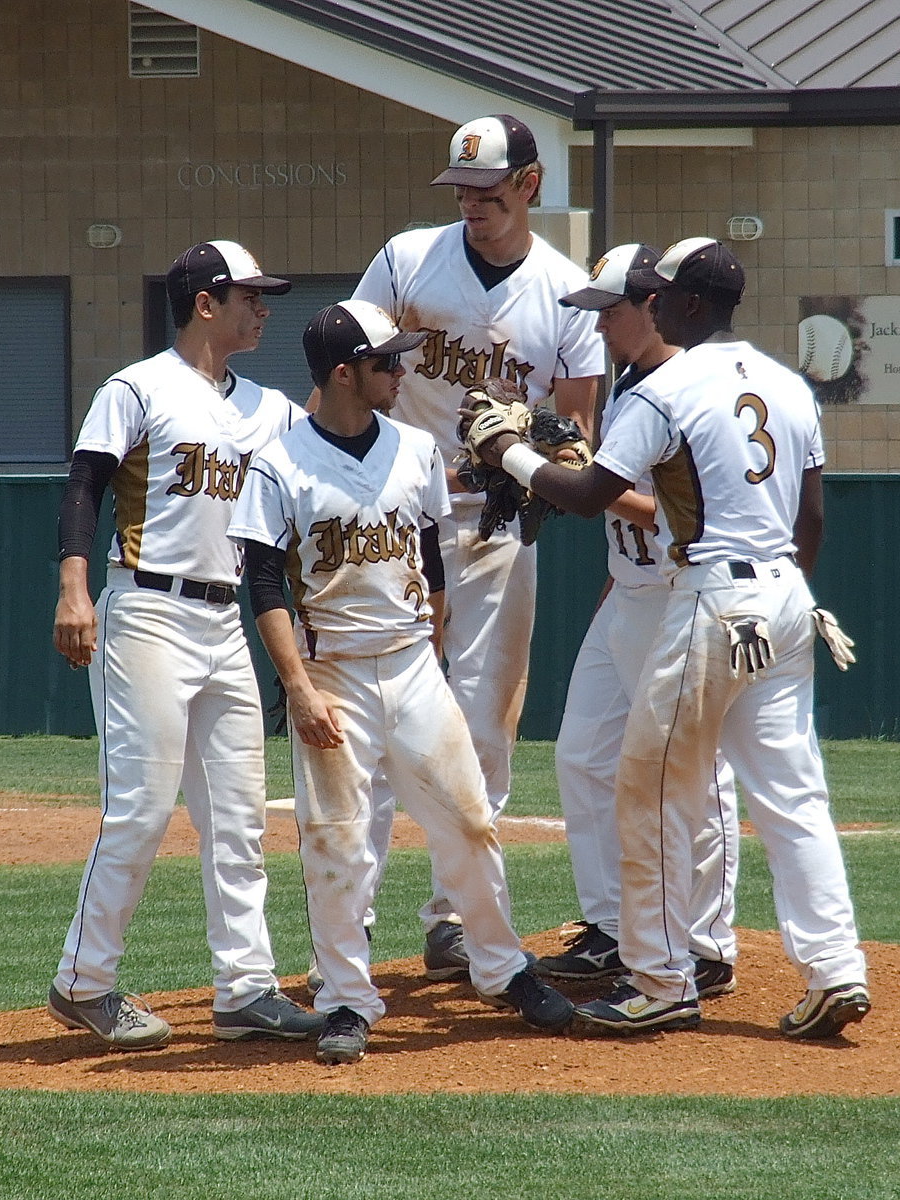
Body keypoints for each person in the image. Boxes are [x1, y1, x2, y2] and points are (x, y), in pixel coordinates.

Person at [463, 237, 870, 1040]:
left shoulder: (667, 386)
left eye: (654, 296)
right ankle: (835, 970)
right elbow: (812, 516)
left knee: (648, 791)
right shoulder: (789, 383)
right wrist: (786, 589)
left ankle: (658, 978)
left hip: (709, 599)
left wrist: (504, 451)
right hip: (787, 596)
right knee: (793, 799)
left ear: (678, 304)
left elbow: (586, 496)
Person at [228, 300, 575, 1065]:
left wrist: (437, 650)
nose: (402, 370)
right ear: (344, 373)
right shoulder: (280, 465)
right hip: (333, 673)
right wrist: (298, 687)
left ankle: (502, 967)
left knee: (469, 821)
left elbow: (431, 557)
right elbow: (262, 584)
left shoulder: (415, 450)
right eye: (387, 361)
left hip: (414, 664)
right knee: (337, 844)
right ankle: (347, 999)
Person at [48, 239, 323, 1049]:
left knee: (238, 819)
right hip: (147, 610)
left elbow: (332, 455)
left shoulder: (268, 408)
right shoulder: (137, 387)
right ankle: (84, 981)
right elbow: (84, 485)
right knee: (138, 810)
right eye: (249, 295)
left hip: (223, 618)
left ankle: (245, 989)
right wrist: (73, 589)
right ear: (205, 302)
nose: (263, 307)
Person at [349, 114, 606, 978]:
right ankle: (349, 921)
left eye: (488, 193)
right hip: (392, 517)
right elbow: (349, 367)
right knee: (377, 714)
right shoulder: (407, 258)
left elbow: (576, 432)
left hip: (496, 518)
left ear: (530, 185)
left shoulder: (566, 292)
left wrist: (531, 455)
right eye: (460, 192)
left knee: (484, 720)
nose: (471, 207)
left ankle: (454, 920)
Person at [532, 245, 740, 997]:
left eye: (609, 311)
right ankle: (615, 928)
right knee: (582, 757)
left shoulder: (684, 389)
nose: (599, 327)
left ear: (653, 304)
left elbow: (671, 514)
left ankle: (706, 943)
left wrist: (577, 477)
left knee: (694, 773)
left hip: (682, 595)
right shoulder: (628, 384)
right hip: (626, 592)